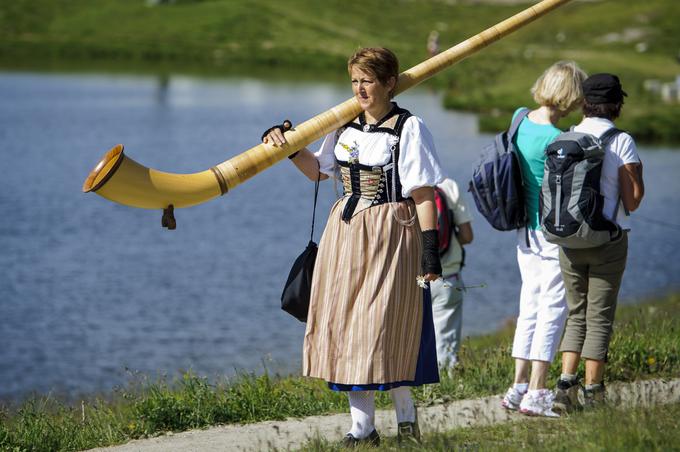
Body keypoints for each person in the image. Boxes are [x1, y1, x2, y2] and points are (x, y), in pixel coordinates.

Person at [263, 47, 445, 446]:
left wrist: (430, 249)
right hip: (344, 233)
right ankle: (362, 427)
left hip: (391, 234)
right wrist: (290, 147)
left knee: (383, 326)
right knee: (346, 327)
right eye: (355, 81)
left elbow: (424, 194)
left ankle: (406, 417)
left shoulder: (408, 128)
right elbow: (317, 171)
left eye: (368, 80)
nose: (360, 89)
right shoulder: (342, 124)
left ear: (389, 83)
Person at [500, 61, 587, 417]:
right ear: (570, 95)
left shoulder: (519, 118)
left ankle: (518, 386)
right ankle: (537, 392)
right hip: (550, 232)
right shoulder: (558, 140)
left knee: (529, 306)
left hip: (524, 230)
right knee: (552, 309)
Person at [553, 73, 644, 412]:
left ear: (583, 102)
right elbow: (633, 201)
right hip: (606, 239)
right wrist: (638, 172)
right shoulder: (621, 141)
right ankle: (594, 392)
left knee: (576, 313)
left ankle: (564, 386)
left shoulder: (567, 136)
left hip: (568, 240)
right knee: (600, 316)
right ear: (617, 104)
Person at [430, 178, 473, 369]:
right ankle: (446, 385)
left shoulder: (401, 186)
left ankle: (418, 391)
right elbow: (467, 236)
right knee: (446, 344)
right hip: (448, 277)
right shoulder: (448, 186)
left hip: (414, 278)